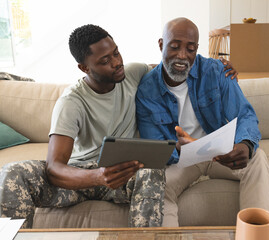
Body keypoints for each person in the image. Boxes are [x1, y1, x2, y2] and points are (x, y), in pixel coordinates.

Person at [0, 24, 237, 228]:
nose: (116, 63)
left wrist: (217, 67)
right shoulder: (71, 102)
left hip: (124, 174)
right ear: (84, 68)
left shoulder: (133, 73)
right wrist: (97, 176)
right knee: (12, 172)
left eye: (116, 53)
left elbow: (174, 64)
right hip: (81, 177)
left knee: (152, 171)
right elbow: (54, 168)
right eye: (105, 60)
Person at [136, 17, 269, 227]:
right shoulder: (147, 89)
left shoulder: (216, 71)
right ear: (161, 45)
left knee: (258, 158)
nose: (183, 56)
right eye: (174, 47)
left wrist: (245, 144)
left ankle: (257, 233)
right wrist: (182, 150)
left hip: (220, 152)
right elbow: (155, 145)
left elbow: (244, 114)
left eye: (190, 49)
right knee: (158, 186)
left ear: (197, 49)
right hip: (180, 159)